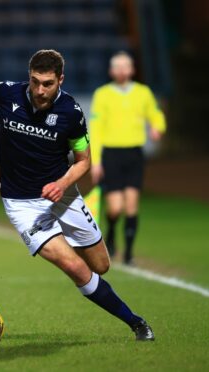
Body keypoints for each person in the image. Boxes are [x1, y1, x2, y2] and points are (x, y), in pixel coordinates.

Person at [0, 49, 154, 341]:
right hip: (22, 204)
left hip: (64, 196)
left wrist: (62, 183)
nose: (40, 90)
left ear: (61, 80)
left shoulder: (71, 112)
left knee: (101, 266)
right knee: (75, 267)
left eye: (48, 83)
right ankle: (136, 323)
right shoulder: (8, 93)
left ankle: (63, 235)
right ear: (28, 78)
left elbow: (84, 160)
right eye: (35, 82)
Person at [89, 51, 166, 264]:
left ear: (132, 69)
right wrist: (96, 162)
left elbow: (155, 114)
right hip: (112, 155)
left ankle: (129, 254)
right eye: (117, 66)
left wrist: (157, 127)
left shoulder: (143, 93)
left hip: (134, 154)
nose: (122, 70)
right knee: (115, 208)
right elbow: (95, 130)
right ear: (111, 71)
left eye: (126, 66)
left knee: (132, 205)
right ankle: (112, 232)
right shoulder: (102, 94)